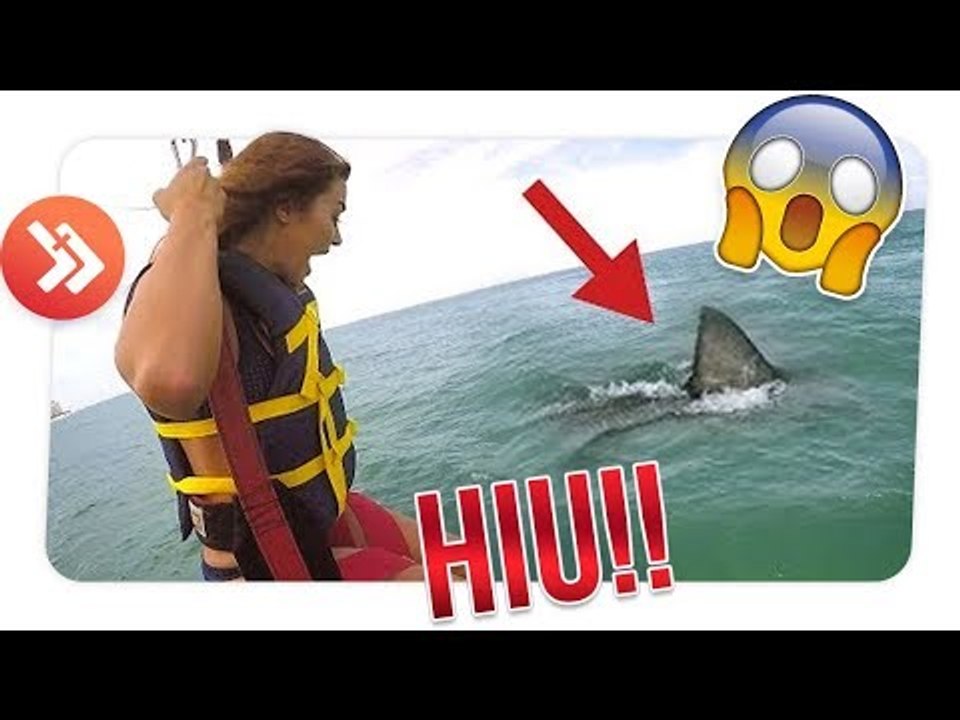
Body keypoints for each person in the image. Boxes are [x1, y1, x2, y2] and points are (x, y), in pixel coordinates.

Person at [115, 132, 424, 581]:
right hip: (263, 563)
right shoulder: (197, 292)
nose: (337, 237)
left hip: (316, 521)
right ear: (286, 208)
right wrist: (191, 210)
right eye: (334, 214)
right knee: (455, 597)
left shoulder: (267, 295)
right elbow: (169, 381)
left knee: (465, 559)